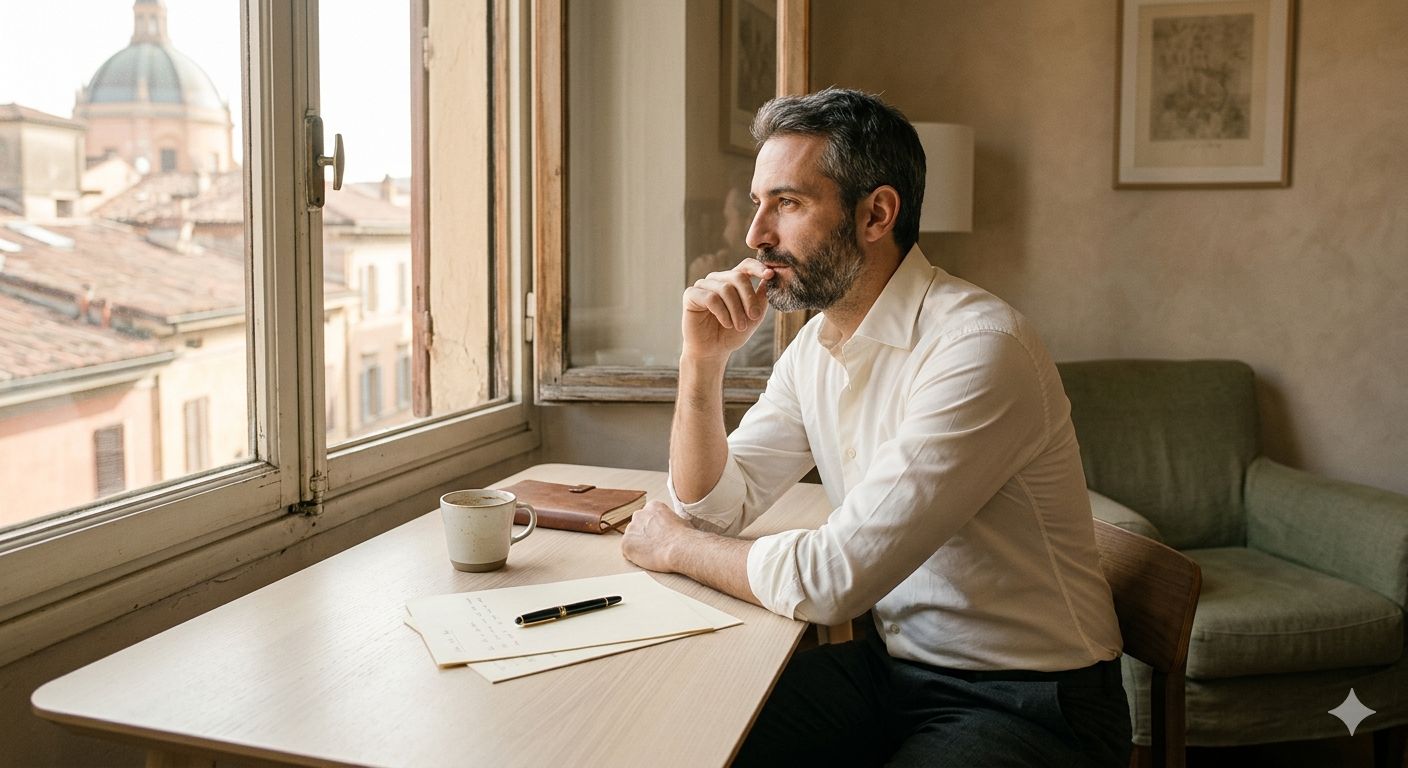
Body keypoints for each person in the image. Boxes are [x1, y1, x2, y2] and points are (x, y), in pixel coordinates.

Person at [621, 87, 1131, 767]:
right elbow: (710, 508)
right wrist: (701, 362)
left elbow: (831, 579)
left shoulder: (980, 347)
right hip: (892, 671)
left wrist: (674, 547)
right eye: (757, 204)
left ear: (876, 214)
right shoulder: (816, 347)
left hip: (1032, 702)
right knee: (689, 731)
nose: (755, 237)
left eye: (788, 203)